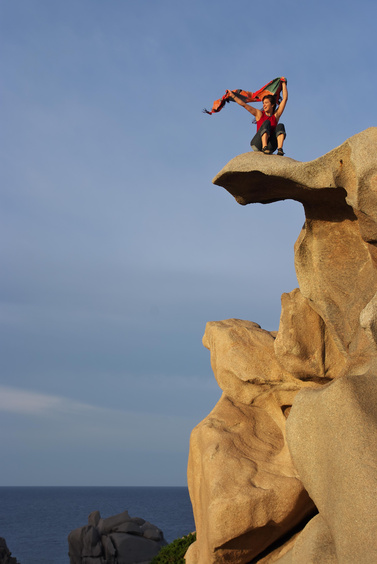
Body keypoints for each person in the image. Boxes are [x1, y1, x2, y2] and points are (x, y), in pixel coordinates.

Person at [226, 80, 288, 155]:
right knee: (267, 122)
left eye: (266, 103)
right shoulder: (259, 114)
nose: (264, 105)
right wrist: (233, 96)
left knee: (280, 125)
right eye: (263, 103)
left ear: (272, 105)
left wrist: (284, 83)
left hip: (270, 146)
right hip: (258, 143)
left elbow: (284, 99)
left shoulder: (276, 115)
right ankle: (264, 147)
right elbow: (244, 105)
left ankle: (280, 150)